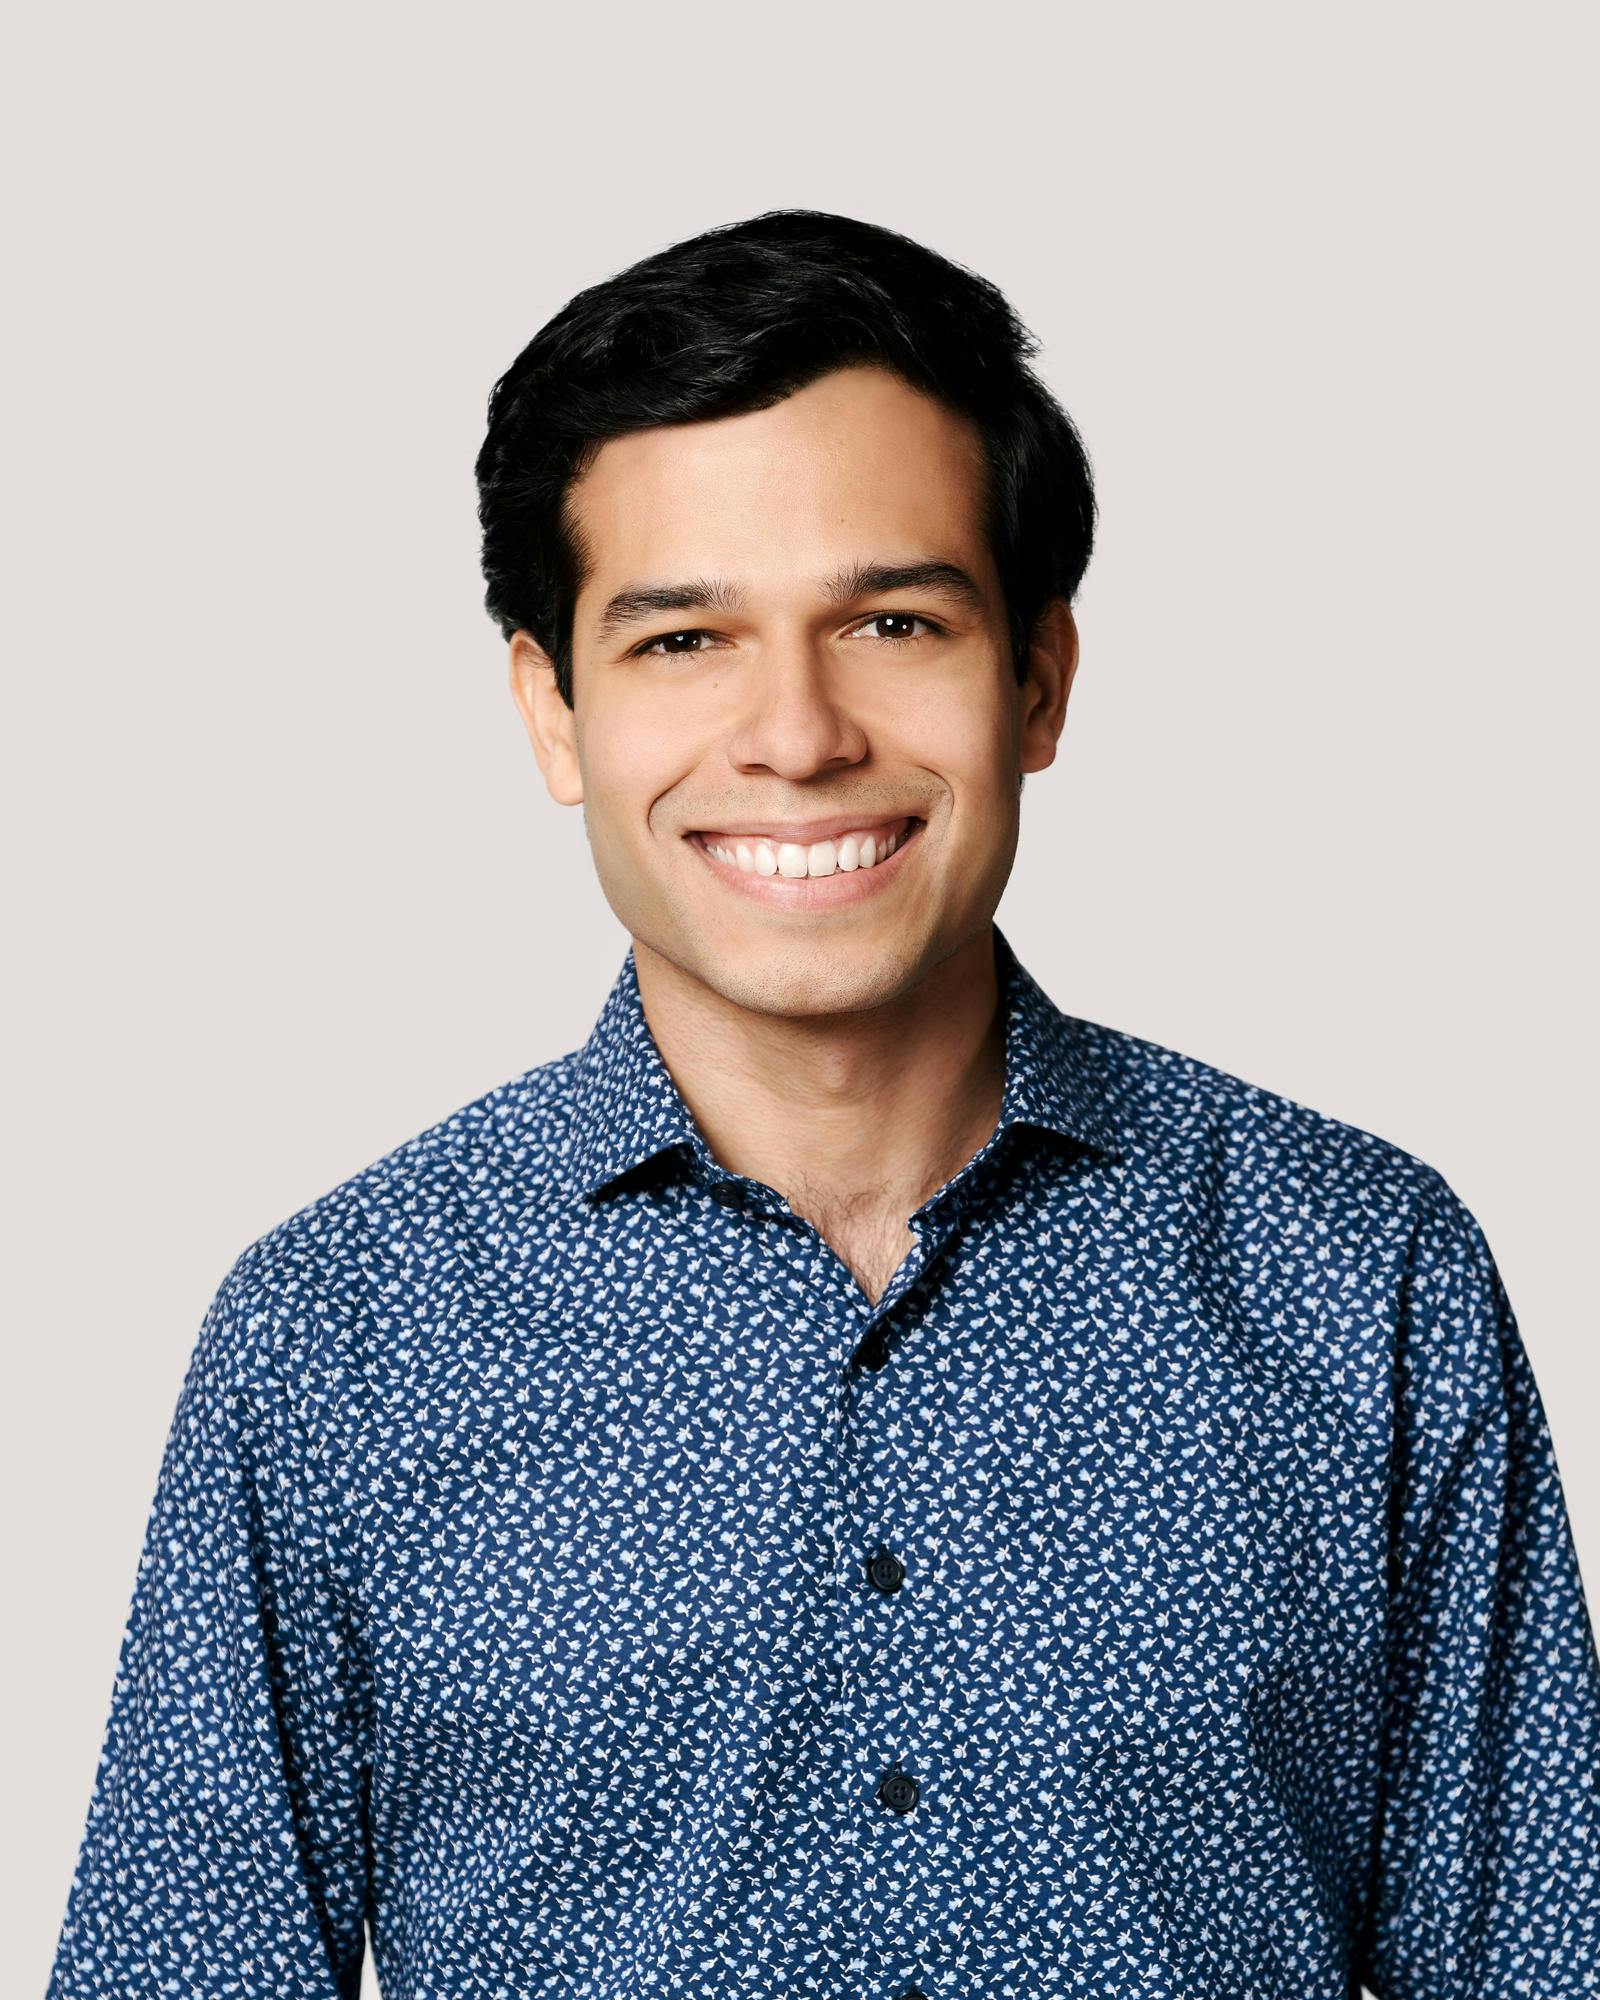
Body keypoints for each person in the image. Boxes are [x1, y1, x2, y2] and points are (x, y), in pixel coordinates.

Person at [46, 209, 1600, 2000]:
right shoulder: (336, 1337)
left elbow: (1533, 1954)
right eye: (683, 642)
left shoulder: (1361, 1277)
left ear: (1037, 678)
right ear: (553, 713)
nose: (796, 735)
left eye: (890, 619)